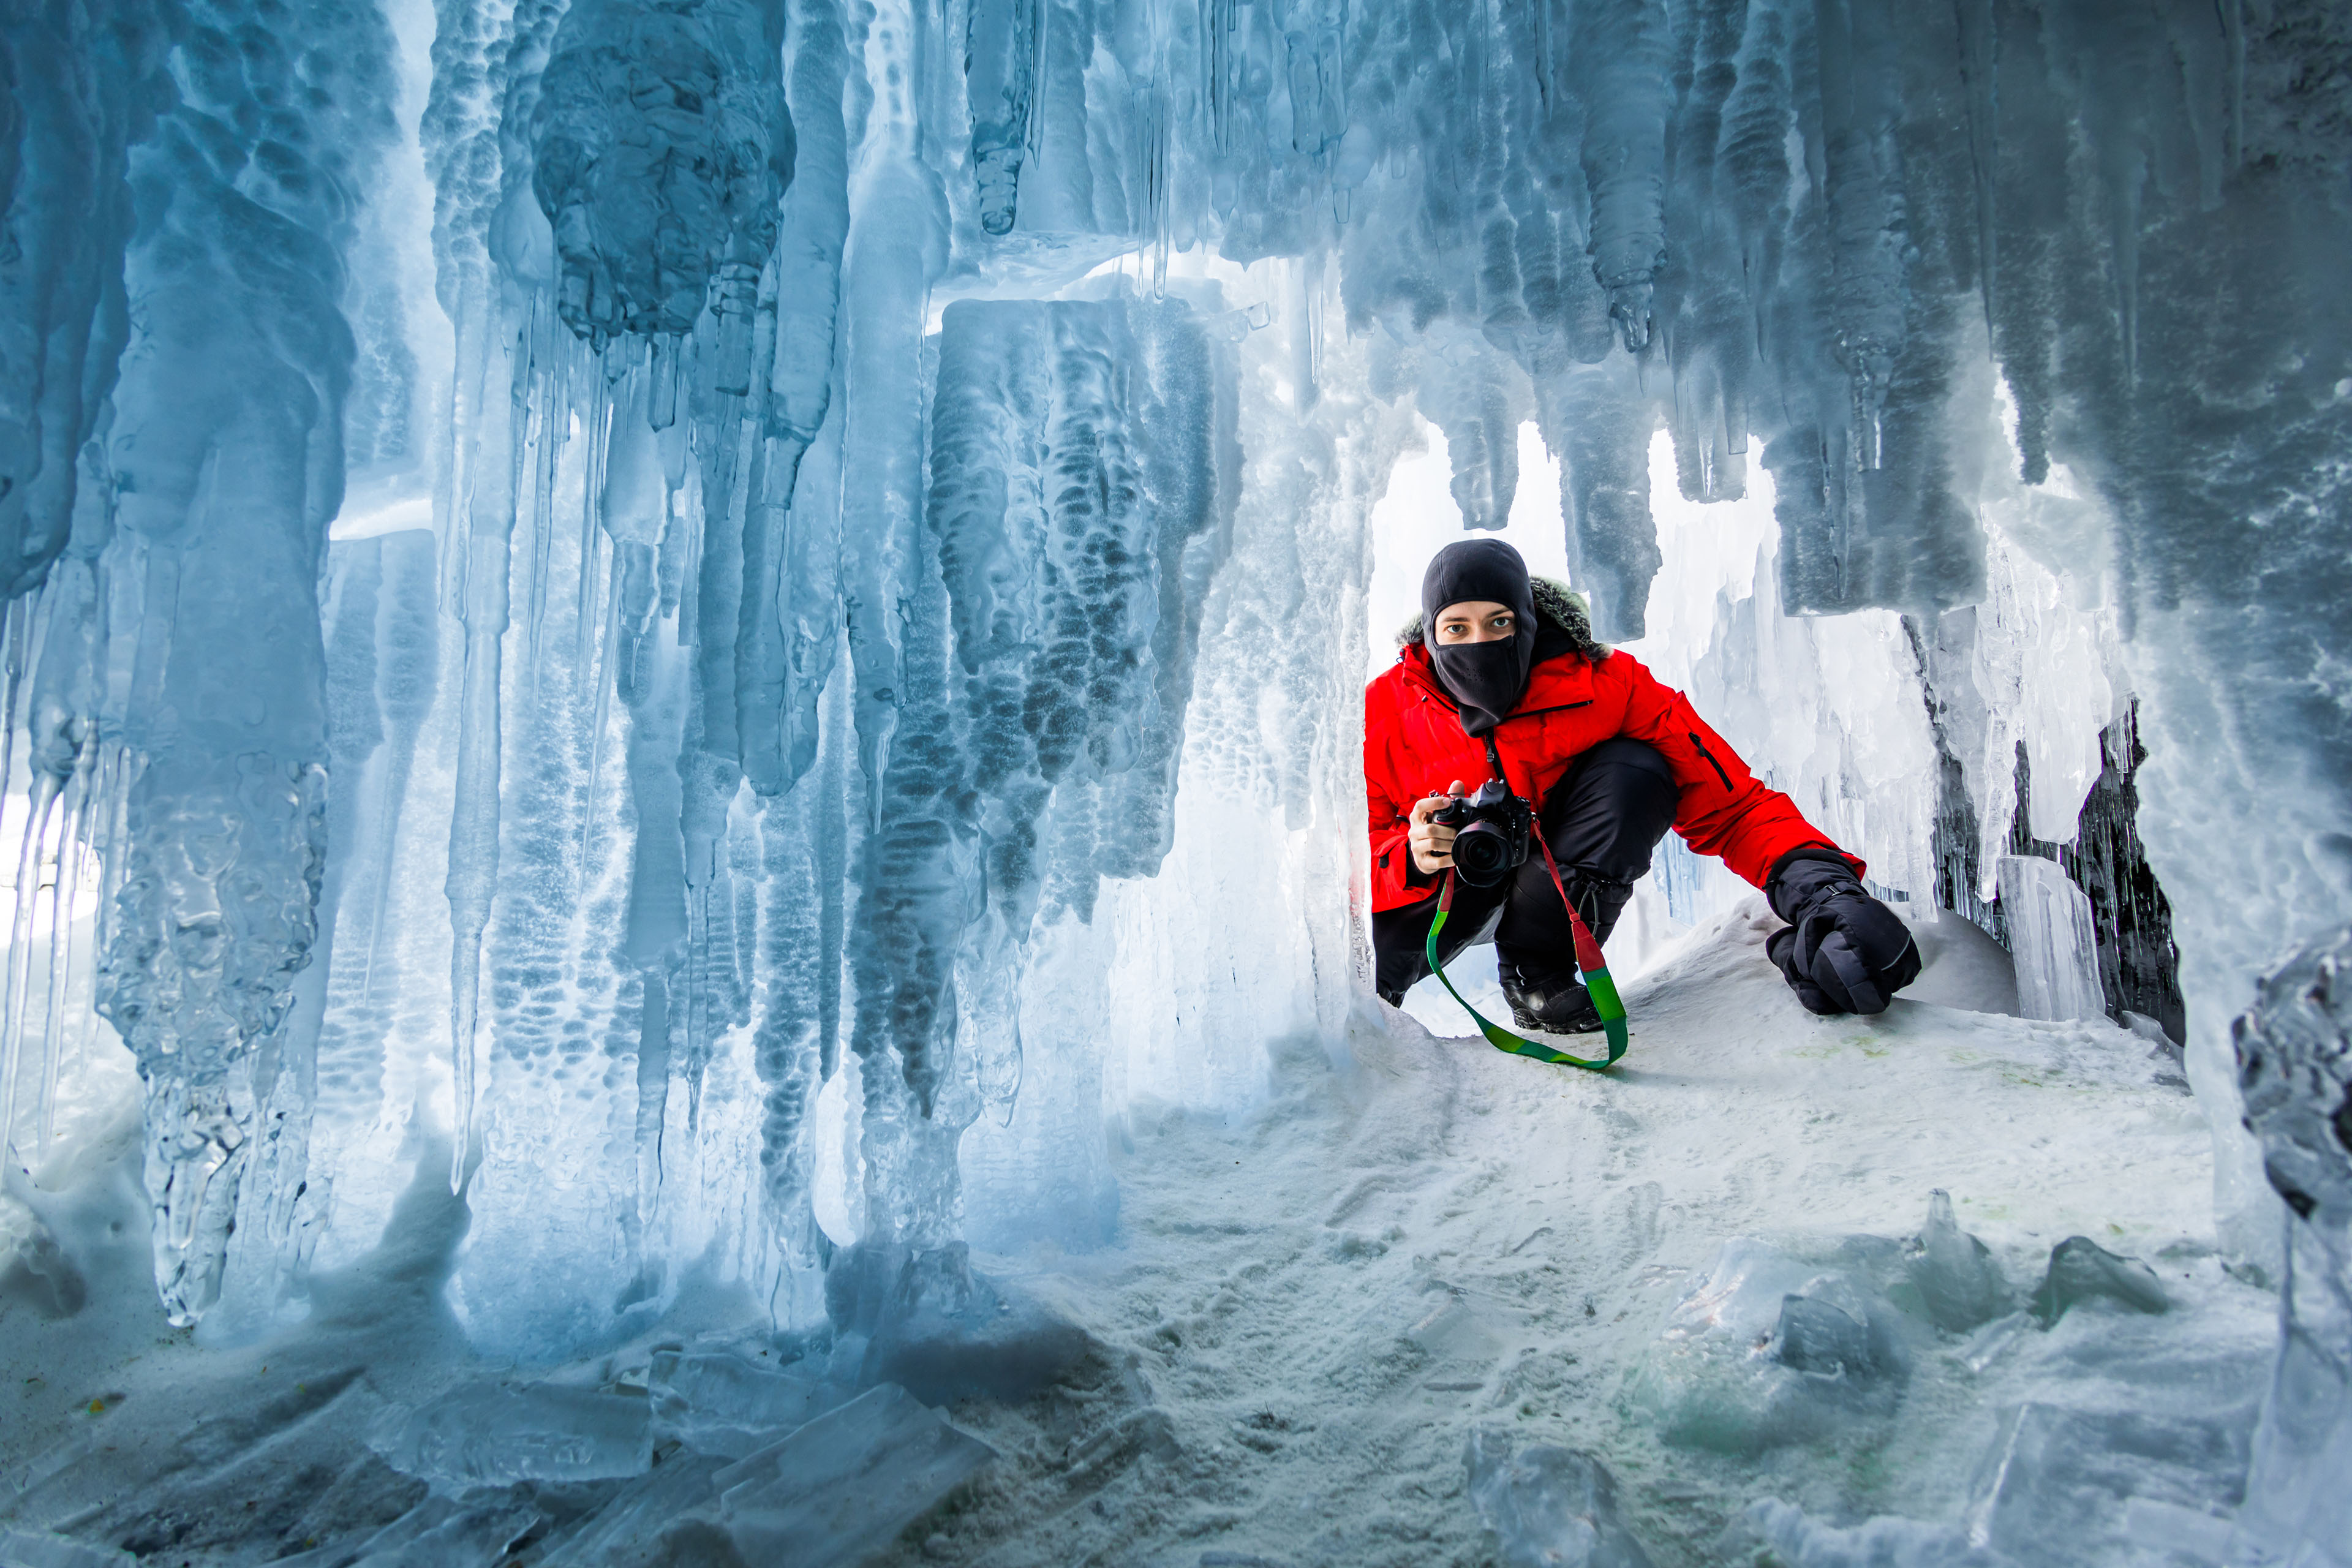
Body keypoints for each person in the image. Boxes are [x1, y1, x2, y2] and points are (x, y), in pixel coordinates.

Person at [1366, 538, 1920, 1033]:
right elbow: (1344, 865)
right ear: (1431, 634)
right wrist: (1412, 855)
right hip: (1436, 893)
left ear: (1529, 620)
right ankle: (1358, 1013)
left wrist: (1826, 890)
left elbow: (1732, 803)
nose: (1478, 642)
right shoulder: (1383, 710)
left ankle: (1538, 981)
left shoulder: (1609, 685)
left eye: (1499, 622)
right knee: (1359, 988)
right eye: (1456, 629)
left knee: (1637, 769)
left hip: (1548, 885)